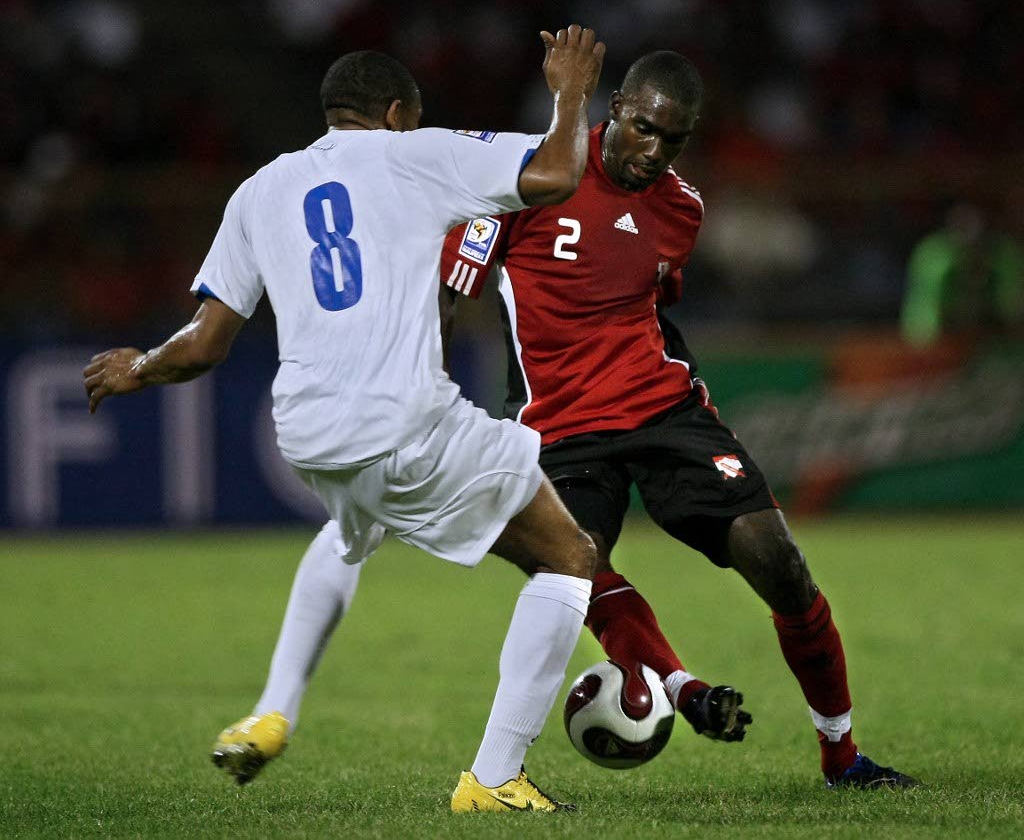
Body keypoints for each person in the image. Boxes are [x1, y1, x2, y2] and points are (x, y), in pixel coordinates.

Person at [215, 50, 918, 790]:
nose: (653, 150)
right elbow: (449, 294)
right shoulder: (524, 180)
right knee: (571, 564)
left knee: (780, 563)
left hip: (665, 410)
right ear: (614, 108)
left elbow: (652, 301)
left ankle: (843, 756)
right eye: (643, 128)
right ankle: (677, 689)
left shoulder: (683, 209)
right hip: (563, 429)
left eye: (672, 140)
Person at [83, 28, 608, 814]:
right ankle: (495, 780)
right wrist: (568, 91)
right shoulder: (417, 153)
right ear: (397, 113)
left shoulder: (262, 188)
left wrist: (139, 367)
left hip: (308, 434)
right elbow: (560, 173)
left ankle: (273, 710)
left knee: (350, 529)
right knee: (569, 555)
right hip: (405, 423)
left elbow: (202, 345)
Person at [901, 202, 1024, 347]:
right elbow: (921, 320)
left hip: (992, 334)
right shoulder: (934, 258)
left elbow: (1013, 309)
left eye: (976, 248)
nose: (970, 253)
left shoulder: (1004, 256)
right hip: (947, 335)